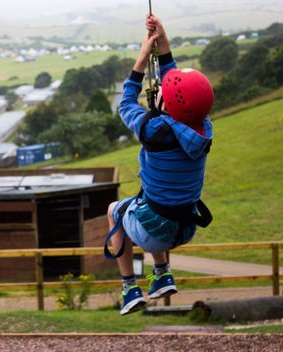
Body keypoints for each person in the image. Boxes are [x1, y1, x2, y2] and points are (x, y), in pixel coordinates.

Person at [106, 15, 214, 315]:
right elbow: (177, 86)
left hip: (156, 230)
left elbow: (126, 103)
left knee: (115, 211)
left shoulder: (153, 130)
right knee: (151, 205)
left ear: (168, 103)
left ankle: (129, 288)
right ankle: (162, 274)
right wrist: (163, 44)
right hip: (186, 225)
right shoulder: (202, 128)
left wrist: (142, 58)